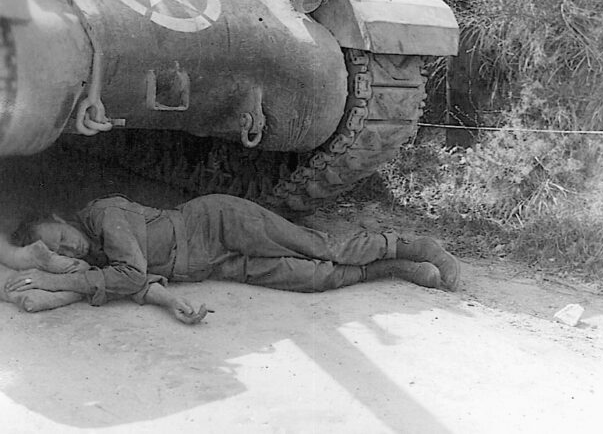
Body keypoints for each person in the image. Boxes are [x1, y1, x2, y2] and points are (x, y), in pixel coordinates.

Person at [5, 194, 460, 325]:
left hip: (219, 222)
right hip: (213, 265)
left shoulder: (104, 215)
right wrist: (169, 303)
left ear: (62, 216)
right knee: (311, 280)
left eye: (63, 236)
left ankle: (414, 246)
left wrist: (57, 284)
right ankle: (393, 269)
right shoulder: (97, 257)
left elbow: (129, 275)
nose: (71, 248)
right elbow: (134, 283)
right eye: (61, 251)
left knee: (321, 247)